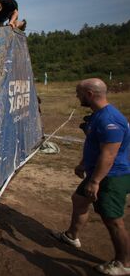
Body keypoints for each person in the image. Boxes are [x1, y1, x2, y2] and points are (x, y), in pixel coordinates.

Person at [52, 78, 130, 275]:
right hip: (97, 172)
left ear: (89, 94)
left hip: (110, 177)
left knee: (113, 219)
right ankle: (71, 235)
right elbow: (96, 146)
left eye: (79, 93)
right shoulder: (98, 116)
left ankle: (124, 263)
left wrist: (95, 181)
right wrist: (84, 164)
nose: (77, 97)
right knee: (79, 200)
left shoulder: (109, 119)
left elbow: (109, 154)